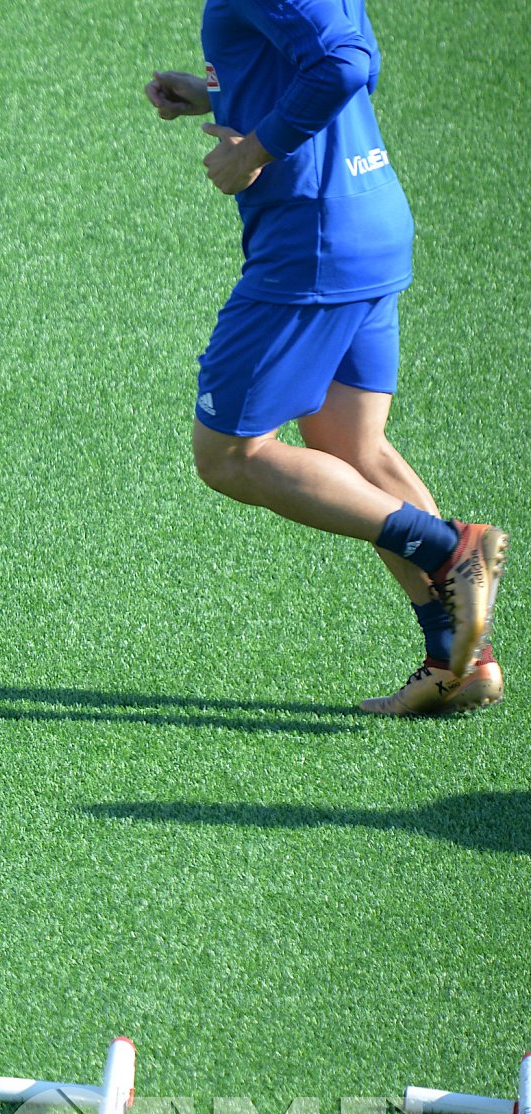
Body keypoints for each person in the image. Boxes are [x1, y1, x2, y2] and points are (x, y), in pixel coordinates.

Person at [146, 0, 505, 714]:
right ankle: (460, 659)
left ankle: (446, 548)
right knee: (352, 446)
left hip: (310, 242)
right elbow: (329, 54)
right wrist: (222, 92)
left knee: (230, 456)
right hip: (362, 217)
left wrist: (254, 149)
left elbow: (348, 65)